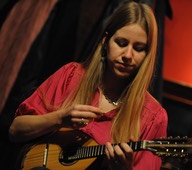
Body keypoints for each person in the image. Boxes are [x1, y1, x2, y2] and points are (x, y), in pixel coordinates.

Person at [9, 1, 168, 170]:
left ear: (147, 54)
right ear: (105, 41)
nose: (128, 55)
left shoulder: (153, 117)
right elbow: (15, 131)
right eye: (121, 43)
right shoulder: (70, 76)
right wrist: (59, 118)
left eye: (139, 48)